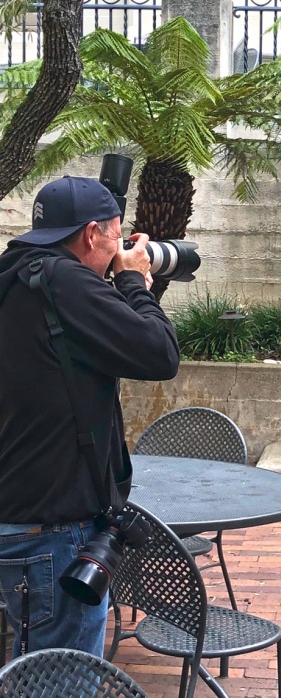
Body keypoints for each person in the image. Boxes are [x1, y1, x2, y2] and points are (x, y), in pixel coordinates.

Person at [0, 176, 180, 658]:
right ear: (90, 234)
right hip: (54, 527)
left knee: (29, 666)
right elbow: (159, 354)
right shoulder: (65, 281)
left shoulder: (16, 275)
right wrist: (133, 283)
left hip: (18, 511)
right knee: (63, 678)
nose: (120, 248)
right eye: (117, 238)